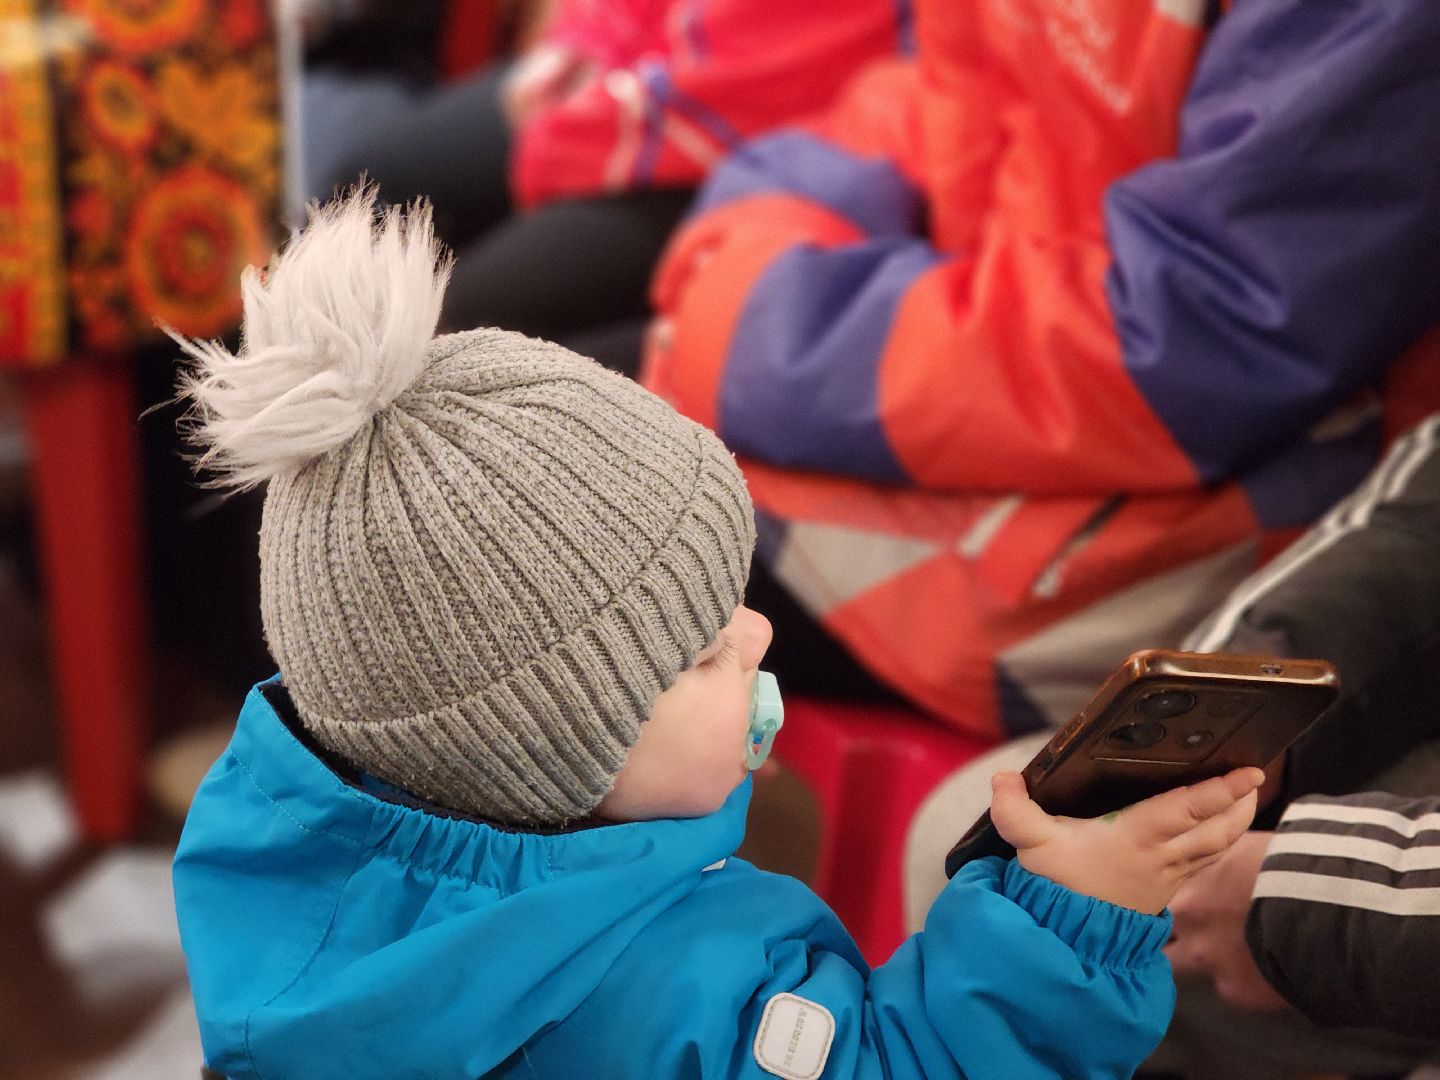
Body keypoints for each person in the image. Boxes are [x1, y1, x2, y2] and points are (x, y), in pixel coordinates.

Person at [170, 194, 1265, 1079]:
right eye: (697, 653)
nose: (755, 629)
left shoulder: (281, 867)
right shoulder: (676, 998)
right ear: (554, 758)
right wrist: (1073, 927)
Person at [644, 0, 1440, 734]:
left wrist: (767, 322)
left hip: (1187, 516)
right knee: (565, 458)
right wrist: (757, 275)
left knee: (580, 560)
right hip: (1008, 396)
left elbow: (1196, 339)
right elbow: (931, 95)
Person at [304, 0, 909, 373]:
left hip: (760, 137)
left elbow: (776, 69)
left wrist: (579, 125)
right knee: (358, 199)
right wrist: (585, 36)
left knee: (447, 335)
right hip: (642, 66)